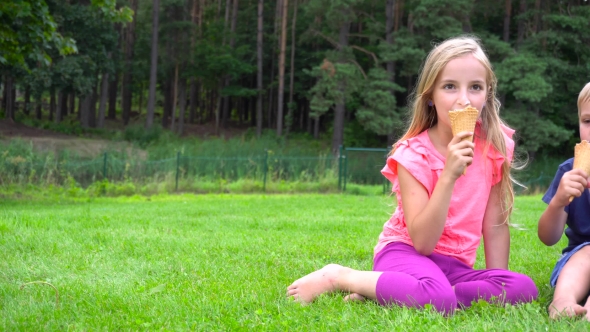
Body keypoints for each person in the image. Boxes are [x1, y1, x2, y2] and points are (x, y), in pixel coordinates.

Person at [286, 35, 538, 314]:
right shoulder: (413, 155)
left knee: (524, 288)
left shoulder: (495, 147)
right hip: (404, 253)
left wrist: (496, 282)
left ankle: (398, 292)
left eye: (475, 87)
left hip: (453, 268)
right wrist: (449, 176)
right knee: (437, 296)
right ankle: (341, 276)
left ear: (488, 94)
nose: (464, 100)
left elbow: (494, 225)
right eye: (450, 87)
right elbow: (423, 242)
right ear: (430, 96)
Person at [538, 82, 590, 320]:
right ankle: (562, 301)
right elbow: (548, 238)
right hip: (579, 260)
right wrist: (558, 201)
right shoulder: (569, 171)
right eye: (587, 122)